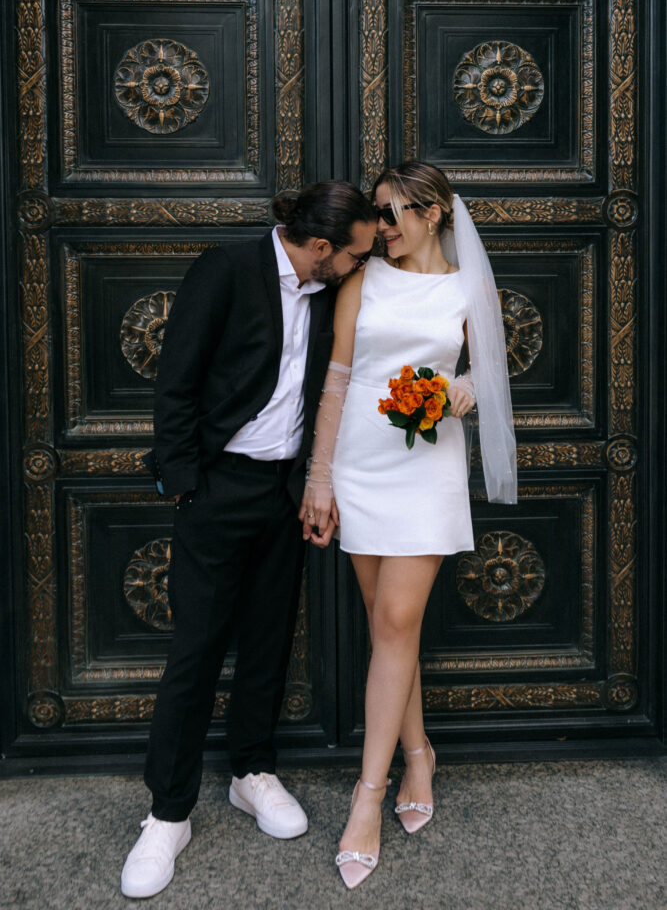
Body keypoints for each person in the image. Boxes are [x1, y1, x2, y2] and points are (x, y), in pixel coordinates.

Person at [121, 182, 377, 900]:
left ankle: (251, 772)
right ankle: (167, 813)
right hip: (215, 488)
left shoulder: (332, 291)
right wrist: (182, 484)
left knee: (268, 639)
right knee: (196, 648)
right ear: (320, 247)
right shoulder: (226, 269)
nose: (361, 264)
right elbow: (176, 380)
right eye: (355, 253)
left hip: (284, 491)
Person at [300, 161, 517, 890]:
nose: (381, 228)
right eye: (380, 213)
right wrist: (320, 478)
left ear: (434, 214)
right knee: (387, 626)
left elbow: (489, 374)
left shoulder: (467, 286)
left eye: (393, 214)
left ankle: (366, 798)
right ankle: (418, 753)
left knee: (394, 620)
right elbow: (335, 380)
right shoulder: (363, 281)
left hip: (425, 471)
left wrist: (462, 386)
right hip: (359, 466)